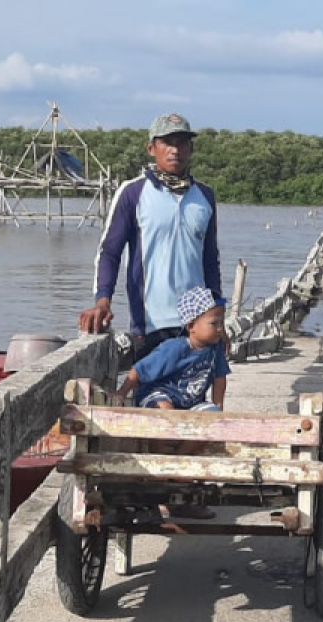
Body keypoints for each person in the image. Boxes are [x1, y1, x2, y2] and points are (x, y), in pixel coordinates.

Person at [78, 113, 222, 358]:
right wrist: (103, 300)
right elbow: (110, 253)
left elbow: (210, 262)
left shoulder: (205, 197)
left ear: (191, 148)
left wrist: (218, 316)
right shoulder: (133, 193)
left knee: (195, 396)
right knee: (152, 396)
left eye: (182, 143)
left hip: (197, 327)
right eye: (167, 142)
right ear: (151, 148)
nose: (175, 150)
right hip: (150, 327)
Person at [113, 287, 229, 411]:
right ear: (191, 326)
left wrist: (219, 409)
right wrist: (121, 393)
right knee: (165, 408)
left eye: (221, 323)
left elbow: (219, 379)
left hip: (191, 403)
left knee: (212, 413)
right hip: (158, 395)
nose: (220, 328)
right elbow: (139, 371)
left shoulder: (216, 350)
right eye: (214, 323)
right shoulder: (174, 349)